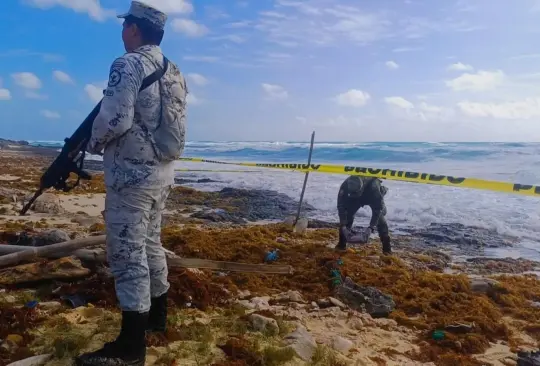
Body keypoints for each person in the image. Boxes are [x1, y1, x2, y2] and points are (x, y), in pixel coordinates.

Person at [75, 1, 188, 365]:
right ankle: (157, 318)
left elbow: (115, 120)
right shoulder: (174, 70)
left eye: (125, 26)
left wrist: (91, 144)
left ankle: (130, 348)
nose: (122, 32)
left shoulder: (128, 64)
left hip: (131, 175)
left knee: (127, 254)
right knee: (151, 243)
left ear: (135, 29)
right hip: (162, 174)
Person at [336, 175, 392, 255]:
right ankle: (341, 245)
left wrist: (371, 228)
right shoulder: (345, 186)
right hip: (354, 199)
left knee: (380, 219)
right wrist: (343, 225)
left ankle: (387, 249)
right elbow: (341, 206)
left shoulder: (373, 188)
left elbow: (378, 210)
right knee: (347, 216)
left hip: (370, 196)